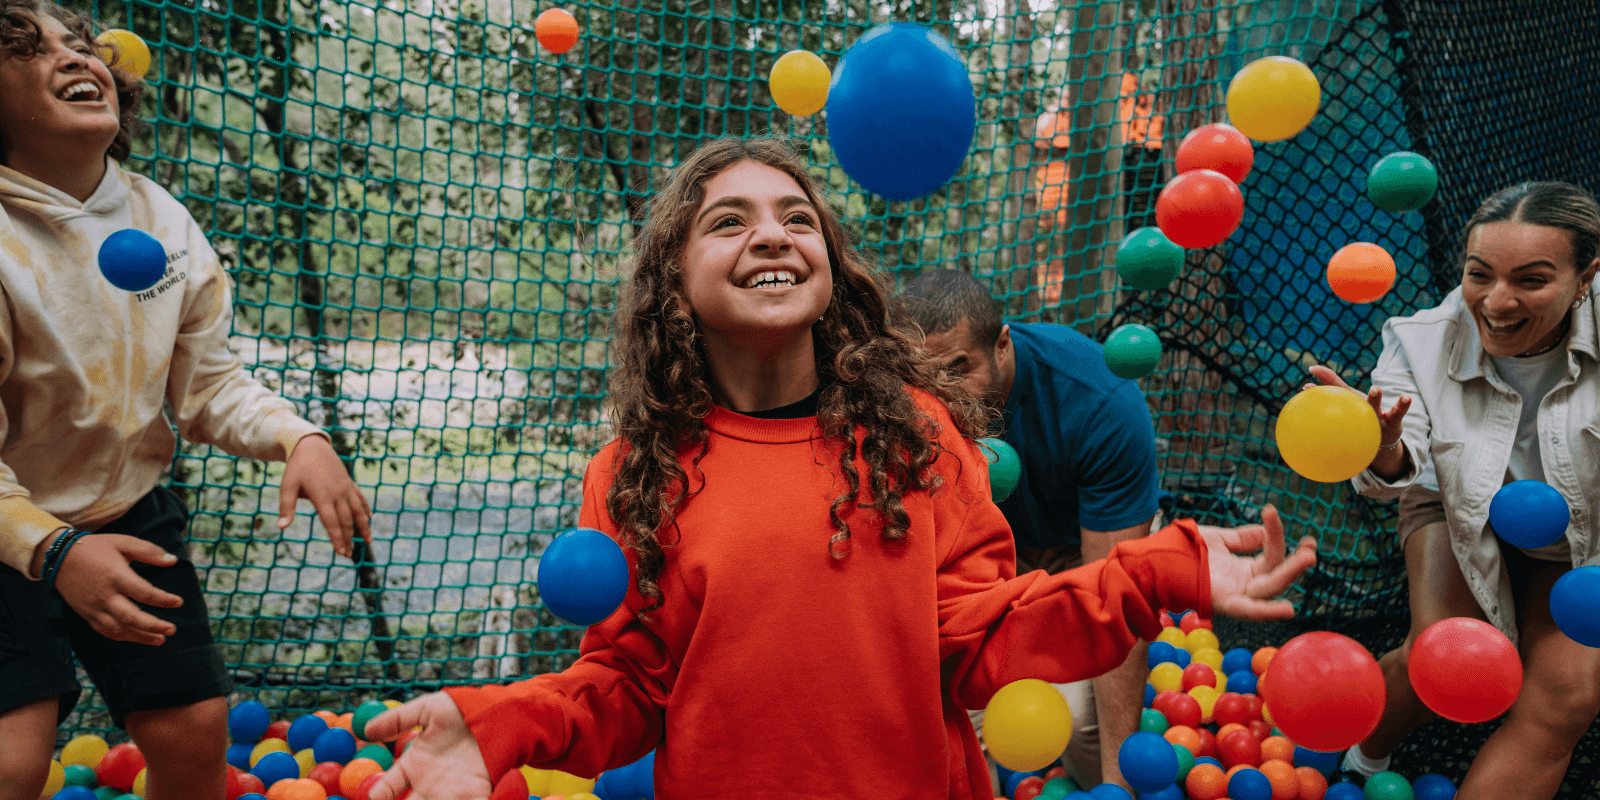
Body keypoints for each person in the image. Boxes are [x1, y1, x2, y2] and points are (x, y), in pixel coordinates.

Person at [362, 136, 1317, 800]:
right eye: (728, 222)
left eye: (796, 218)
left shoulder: (916, 437)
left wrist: (1167, 569)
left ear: (830, 265)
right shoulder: (632, 472)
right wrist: (499, 729)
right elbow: (629, 684)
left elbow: (984, 635)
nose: (771, 235)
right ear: (674, 284)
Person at [0, 4, 373, 799]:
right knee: (14, 761)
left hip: (124, 510)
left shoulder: (160, 218)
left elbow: (206, 386)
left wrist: (297, 438)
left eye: (80, 44)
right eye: (30, 50)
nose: (76, 57)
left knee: (196, 736)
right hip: (6, 527)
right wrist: (56, 552)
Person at [1312, 181, 1600, 798]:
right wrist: (1379, 442)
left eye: (1530, 280)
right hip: (1456, 497)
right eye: (1480, 275)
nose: (1497, 302)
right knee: (1446, 659)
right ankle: (1360, 762)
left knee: (1566, 698)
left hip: (1585, 527)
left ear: (1586, 277)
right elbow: (1397, 466)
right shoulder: (1419, 340)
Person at [895, 269, 1161, 789]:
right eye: (926, 380)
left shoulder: (1098, 404)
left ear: (1002, 343)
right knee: (949, 722)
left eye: (958, 369)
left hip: (1082, 555)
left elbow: (1116, 597)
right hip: (983, 565)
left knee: (1084, 733)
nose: (944, 397)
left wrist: (1117, 783)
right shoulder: (905, 412)